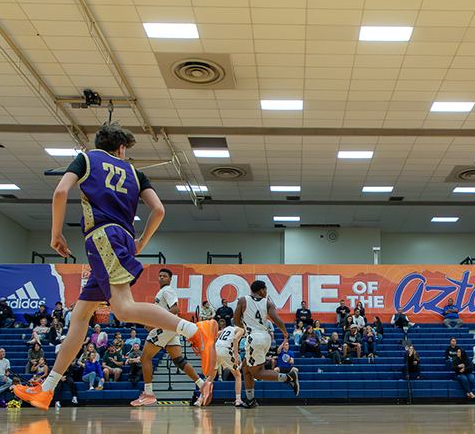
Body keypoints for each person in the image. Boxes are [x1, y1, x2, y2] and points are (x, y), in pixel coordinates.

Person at [16, 125, 220, 409]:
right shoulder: (136, 173)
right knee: (80, 316)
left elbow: (60, 191)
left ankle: (196, 331)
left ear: (98, 143)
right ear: (122, 148)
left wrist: (56, 234)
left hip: (102, 237)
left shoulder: (86, 159)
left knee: (123, 308)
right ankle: (47, 388)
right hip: (119, 237)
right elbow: (159, 210)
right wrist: (141, 242)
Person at [132, 268, 216, 407]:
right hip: (170, 329)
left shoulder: (167, 290)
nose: (161, 278)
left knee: (145, 357)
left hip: (164, 327)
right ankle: (202, 384)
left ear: (170, 279)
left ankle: (148, 393)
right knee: (179, 360)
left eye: (164, 276)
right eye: (159, 276)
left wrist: (154, 323)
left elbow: (175, 309)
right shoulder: (161, 292)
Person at [235, 280, 299, 409]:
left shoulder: (242, 300)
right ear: (262, 290)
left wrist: (247, 327)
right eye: (266, 289)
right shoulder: (268, 303)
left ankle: (288, 377)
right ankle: (250, 400)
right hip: (265, 337)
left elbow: (236, 320)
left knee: (257, 373)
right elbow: (278, 321)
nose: (267, 292)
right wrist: (285, 333)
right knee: (246, 369)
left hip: (254, 338)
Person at [198, 324, 245, 407]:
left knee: (211, 376)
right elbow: (235, 339)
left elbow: (215, 335)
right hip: (225, 350)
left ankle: (200, 399)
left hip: (216, 349)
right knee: (238, 375)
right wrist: (236, 357)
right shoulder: (241, 329)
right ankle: (238, 400)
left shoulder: (228, 328)